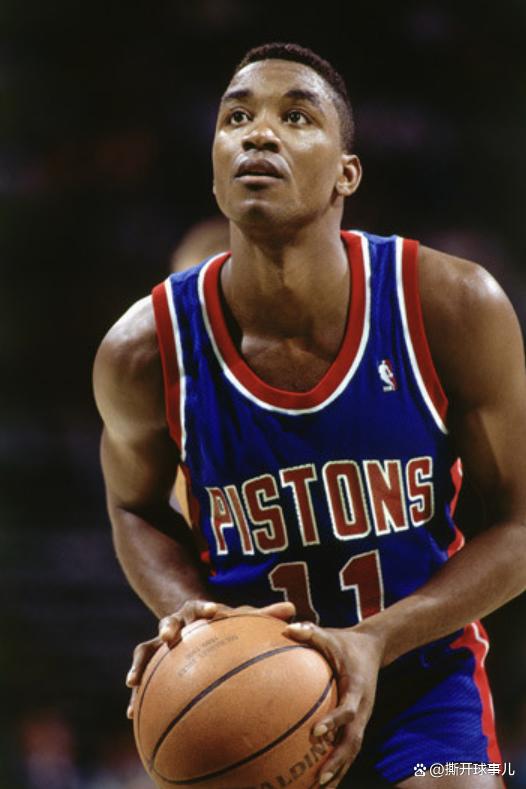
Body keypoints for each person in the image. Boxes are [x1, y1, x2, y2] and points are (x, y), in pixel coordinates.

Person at [93, 42, 526, 788]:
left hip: (420, 680)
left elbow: (518, 527)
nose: (259, 132)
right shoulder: (141, 350)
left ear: (347, 174)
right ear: (215, 169)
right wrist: (189, 614)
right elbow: (133, 507)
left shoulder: (450, 306)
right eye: (237, 118)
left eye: (296, 116)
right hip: (251, 686)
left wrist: (374, 639)